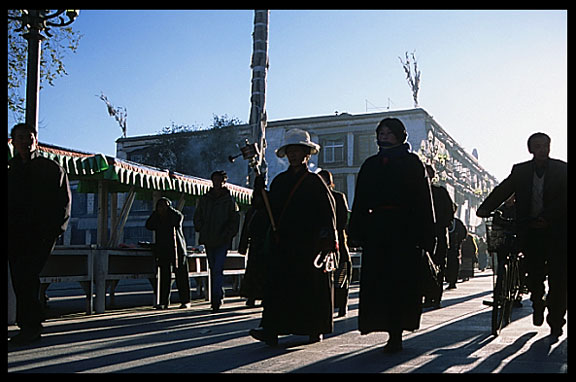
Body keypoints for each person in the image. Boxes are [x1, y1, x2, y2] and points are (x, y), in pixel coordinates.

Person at [348, 118, 436, 353]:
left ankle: (396, 332)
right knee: (378, 282)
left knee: (400, 282)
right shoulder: (370, 165)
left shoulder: (412, 163)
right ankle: (380, 325)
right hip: (377, 230)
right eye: (382, 132)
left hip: (405, 230)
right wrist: (355, 231)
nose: (385, 136)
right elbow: (360, 201)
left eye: (389, 132)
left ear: (400, 135)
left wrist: (427, 234)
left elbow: (424, 201)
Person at [249, 128, 337, 346]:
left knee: (310, 288)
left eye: (298, 151)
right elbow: (267, 210)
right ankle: (271, 329)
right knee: (277, 287)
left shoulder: (316, 182)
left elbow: (328, 213)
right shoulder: (279, 182)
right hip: (284, 242)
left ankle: (314, 328)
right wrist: (260, 192)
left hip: (309, 245)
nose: (294, 155)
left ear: (307, 154)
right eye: (290, 151)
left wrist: (327, 240)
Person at [477, 132, 567, 338]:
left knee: (559, 279)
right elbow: (503, 190)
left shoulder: (563, 170)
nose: (542, 149)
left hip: (557, 232)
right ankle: (537, 302)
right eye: (537, 146)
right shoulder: (521, 171)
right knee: (533, 274)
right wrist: (485, 208)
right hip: (530, 231)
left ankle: (556, 321)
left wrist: (549, 217)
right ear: (531, 149)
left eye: (545, 145)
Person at [8, 123, 72, 346]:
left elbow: (64, 203)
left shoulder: (50, 168)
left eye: (30, 137)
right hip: (14, 235)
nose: (26, 141)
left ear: (36, 140)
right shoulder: (11, 169)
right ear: (13, 142)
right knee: (20, 280)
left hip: (40, 235)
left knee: (27, 277)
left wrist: (54, 232)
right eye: (21, 138)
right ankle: (29, 325)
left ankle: (31, 326)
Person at [193, 170, 240, 312]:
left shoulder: (229, 201)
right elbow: (198, 216)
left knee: (217, 269)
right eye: (215, 180)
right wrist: (201, 227)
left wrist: (227, 235)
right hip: (209, 239)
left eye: (219, 180)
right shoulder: (205, 199)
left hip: (221, 240)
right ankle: (217, 295)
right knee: (214, 268)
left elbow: (234, 220)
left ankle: (216, 298)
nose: (217, 183)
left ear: (223, 182)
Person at [146, 197, 191, 309]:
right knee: (164, 277)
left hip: (177, 249)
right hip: (163, 250)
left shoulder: (174, 216)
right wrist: (156, 213)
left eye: (164, 206)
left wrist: (169, 210)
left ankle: (185, 300)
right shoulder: (157, 218)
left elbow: (178, 218)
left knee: (181, 276)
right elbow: (149, 225)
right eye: (159, 207)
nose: (161, 209)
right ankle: (163, 301)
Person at [319, 169, 351, 318]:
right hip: (319, 243)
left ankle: (342, 304)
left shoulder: (338, 197)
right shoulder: (315, 199)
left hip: (338, 240)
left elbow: (343, 220)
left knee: (341, 274)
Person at [423, 164, 454, 308]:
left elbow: (450, 211)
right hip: (422, 237)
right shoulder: (417, 193)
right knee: (423, 267)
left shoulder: (440, 192)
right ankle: (426, 295)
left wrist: (440, 225)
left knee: (438, 266)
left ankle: (435, 296)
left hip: (439, 235)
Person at [238, 176, 270, 306]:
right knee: (256, 270)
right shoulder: (254, 207)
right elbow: (247, 227)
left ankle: (259, 295)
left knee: (261, 270)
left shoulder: (267, 200)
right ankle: (253, 296)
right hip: (257, 241)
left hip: (265, 240)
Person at [446, 213, 467, 289]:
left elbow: (464, 233)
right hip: (448, 248)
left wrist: (459, 241)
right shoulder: (446, 221)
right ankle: (450, 280)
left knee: (453, 264)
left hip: (454, 248)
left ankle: (452, 281)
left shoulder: (457, 223)